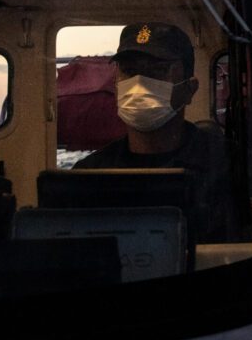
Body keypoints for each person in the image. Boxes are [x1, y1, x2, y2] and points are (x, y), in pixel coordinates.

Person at [73, 23, 234, 244]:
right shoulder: (89, 174)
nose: (139, 84)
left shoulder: (229, 164)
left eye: (157, 71)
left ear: (189, 89)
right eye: (129, 71)